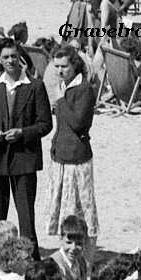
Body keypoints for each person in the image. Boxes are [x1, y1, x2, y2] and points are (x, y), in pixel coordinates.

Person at [0, 36, 53, 252]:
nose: (10, 61)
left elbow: (46, 124)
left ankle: (29, 258)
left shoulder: (35, 87)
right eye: (6, 57)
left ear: (20, 57)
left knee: (26, 215)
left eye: (13, 56)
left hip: (24, 158)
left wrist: (22, 133)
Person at [45, 47, 99, 248]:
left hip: (77, 159)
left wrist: (60, 100)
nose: (60, 71)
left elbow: (77, 123)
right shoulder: (64, 86)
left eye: (64, 66)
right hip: (61, 156)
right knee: (65, 210)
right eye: (57, 66)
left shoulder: (84, 89)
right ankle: (68, 249)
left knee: (83, 209)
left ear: (74, 65)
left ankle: (88, 254)